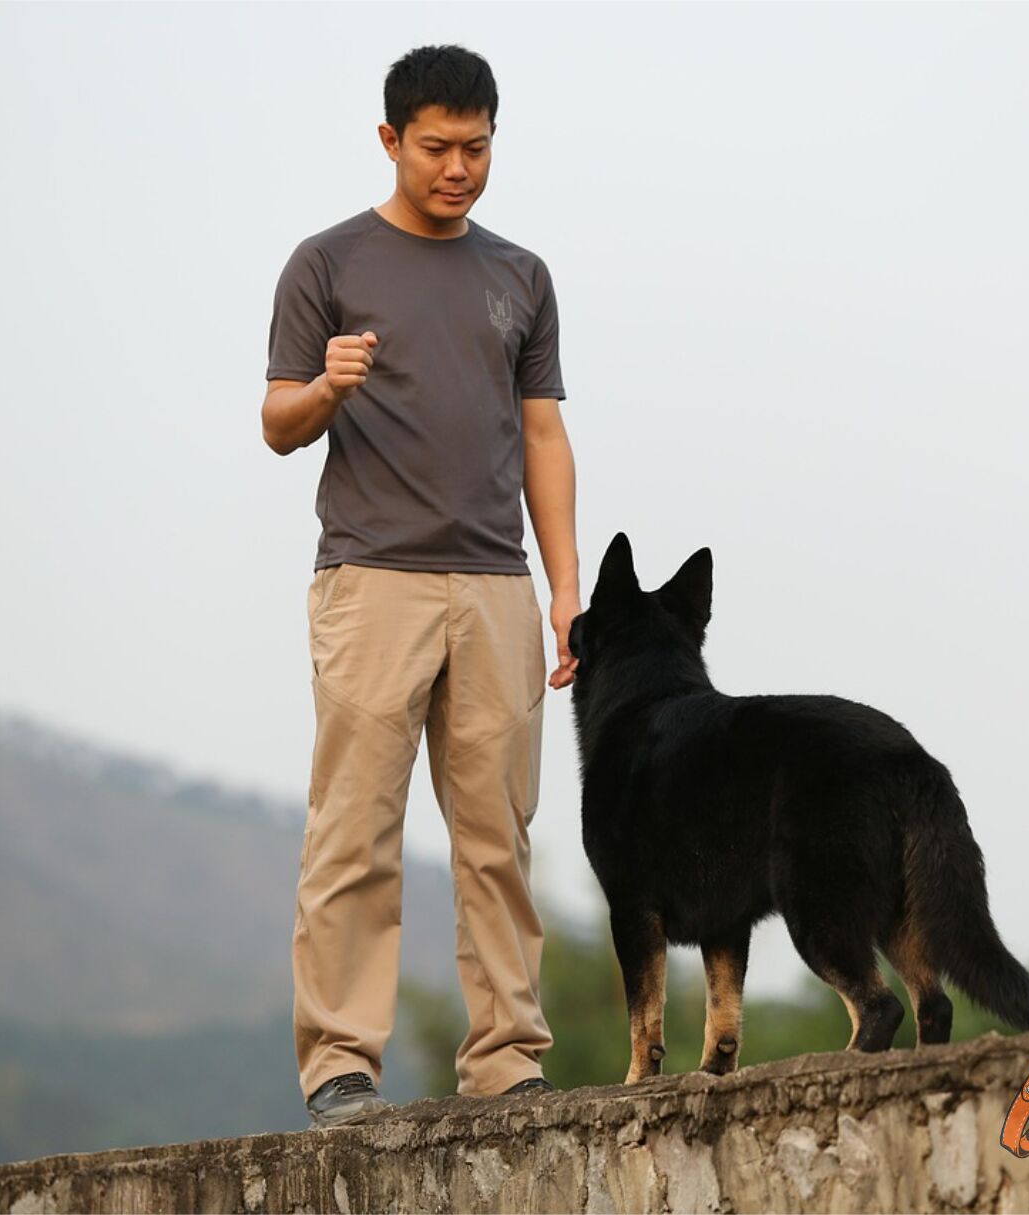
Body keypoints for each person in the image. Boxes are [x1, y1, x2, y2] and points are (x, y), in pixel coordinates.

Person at [260, 44, 581, 1129]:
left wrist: (565, 589)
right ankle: (340, 1064)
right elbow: (276, 423)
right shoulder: (327, 263)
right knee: (355, 829)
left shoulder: (521, 276)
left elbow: (544, 435)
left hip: (496, 583)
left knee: (500, 837)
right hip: (371, 580)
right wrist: (325, 388)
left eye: (476, 148)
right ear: (390, 140)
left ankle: (508, 1062)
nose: (458, 168)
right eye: (437, 147)